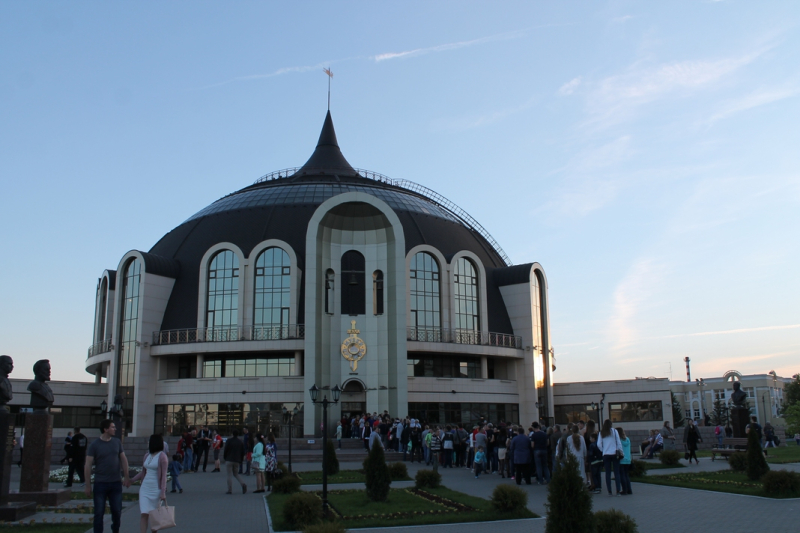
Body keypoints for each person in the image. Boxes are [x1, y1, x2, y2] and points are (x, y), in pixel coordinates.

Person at [84, 420, 132, 533]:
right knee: (99, 513)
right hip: (100, 484)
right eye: (112, 427)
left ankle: (115, 530)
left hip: (115, 483)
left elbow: (124, 459)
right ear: (105, 429)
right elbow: (88, 465)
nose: (115, 429)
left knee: (117, 511)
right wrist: (87, 485)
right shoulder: (95, 445)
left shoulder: (117, 442)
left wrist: (126, 477)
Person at [130, 434, 168, 533]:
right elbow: (143, 472)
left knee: (154, 516)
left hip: (156, 489)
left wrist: (163, 492)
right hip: (145, 488)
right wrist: (132, 480)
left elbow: (164, 476)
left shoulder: (162, 457)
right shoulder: (147, 455)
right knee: (144, 514)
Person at [597, 419, 622, 496]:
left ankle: (609, 491)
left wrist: (603, 450)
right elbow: (618, 442)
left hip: (606, 454)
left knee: (607, 473)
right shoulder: (614, 431)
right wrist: (620, 451)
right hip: (614, 453)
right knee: (616, 472)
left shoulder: (601, 433)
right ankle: (618, 490)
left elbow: (598, 444)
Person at [223, 429, 247, 494]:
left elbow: (225, 450)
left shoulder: (229, 441)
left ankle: (230, 490)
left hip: (229, 459)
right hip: (237, 460)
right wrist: (241, 460)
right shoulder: (240, 442)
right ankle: (243, 484)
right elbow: (243, 452)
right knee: (236, 474)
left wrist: (225, 457)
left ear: (232, 434)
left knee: (229, 475)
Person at [617, 427, 632, 496]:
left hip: (621, 459)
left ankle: (624, 490)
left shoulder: (619, 440)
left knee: (622, 475)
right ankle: (629, 490)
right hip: (628, 459)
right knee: (626, 475)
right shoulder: (627, 439)